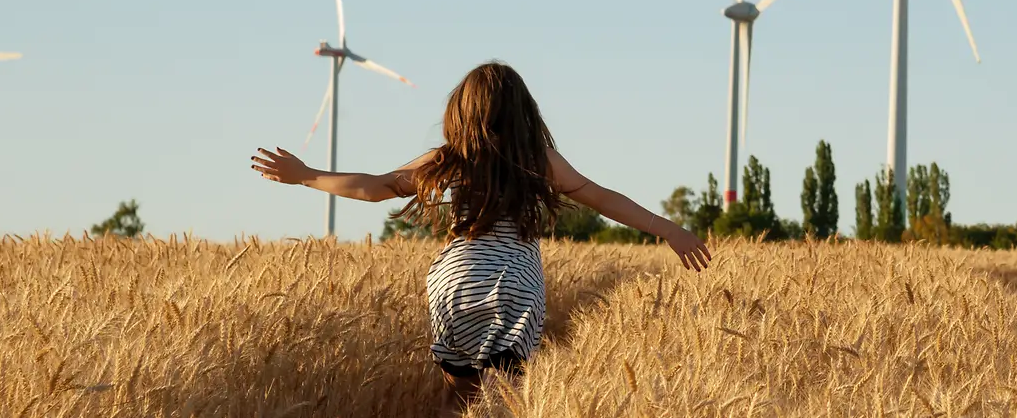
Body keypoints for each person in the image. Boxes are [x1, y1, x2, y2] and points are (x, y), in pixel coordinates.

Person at [250, 60, 711, 404]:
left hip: (453, 283)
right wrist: (668, 229)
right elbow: (602, 197)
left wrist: (306, 174)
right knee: (504, 402)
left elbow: (376, 188)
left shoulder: (448, 157)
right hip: (513, 282)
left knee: (463, 400)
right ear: (524, 112)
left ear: (460, 111)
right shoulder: (538, 159)